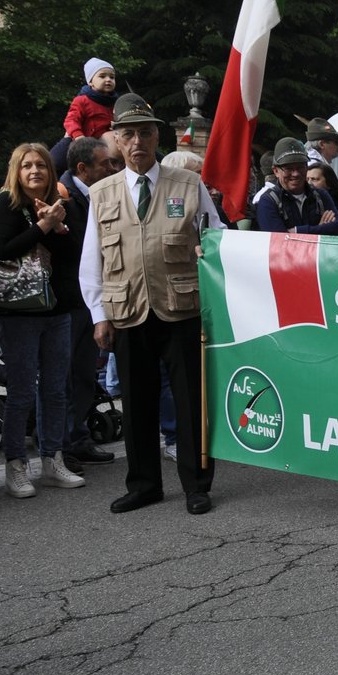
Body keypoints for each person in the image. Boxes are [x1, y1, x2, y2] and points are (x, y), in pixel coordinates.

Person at [80, 94, 224, 515]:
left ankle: (197, 484)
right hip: (126, 310)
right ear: (117, 143)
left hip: (182, 307)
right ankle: (144, 485)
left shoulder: (188, 184)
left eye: (145, 132)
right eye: (128, 135)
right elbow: (93, 260)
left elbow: (217, 238)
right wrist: (98, 314)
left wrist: (210, 260)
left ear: (156, 136)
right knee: (137, 401)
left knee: (191, 401)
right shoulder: (101, 193)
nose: (138, 141)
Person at [0, 144, 88, 498]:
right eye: (27, 166)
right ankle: (15, 465)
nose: (35, 171)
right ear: (16, 171)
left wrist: (59, 226)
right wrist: (44, 225)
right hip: (19, 311)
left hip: (57, 309)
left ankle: (52, 460)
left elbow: (74, 253)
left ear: (50, 171)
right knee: (20, 392)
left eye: (41, 166)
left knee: (54, 388)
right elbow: (2, 249)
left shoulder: (64, 204)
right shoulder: (8, 202)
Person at [57, 137, 116, 471]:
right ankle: (59, 447)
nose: (111, 168)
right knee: (62, 377)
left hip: (89, 302)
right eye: (104, 163)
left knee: (83, 374)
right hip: (67, 302)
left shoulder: (98, 194)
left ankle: (78, 438)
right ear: (83, 168)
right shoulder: (61, 196)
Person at [253, 138, 338, 236]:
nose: (295, 174)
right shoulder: (268, 201)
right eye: (289, 169)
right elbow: (279, 241)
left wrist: (298, 231)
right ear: (276, 171)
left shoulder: (321, 195)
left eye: (300, 167)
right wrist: (321, 229)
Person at [65, 59, 118, 141]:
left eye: (112, 77)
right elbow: (71, 120)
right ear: (90, 82)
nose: (108, 79)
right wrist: (78, 136)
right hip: (89, 145)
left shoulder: (116, 102)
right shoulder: (82, 101)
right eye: (102, 76)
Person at [307, 160, 338, 238]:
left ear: (329, 183)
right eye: (307, 179)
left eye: (315, 179)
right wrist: (319, 229)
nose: (309, 183)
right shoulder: (306, 204)